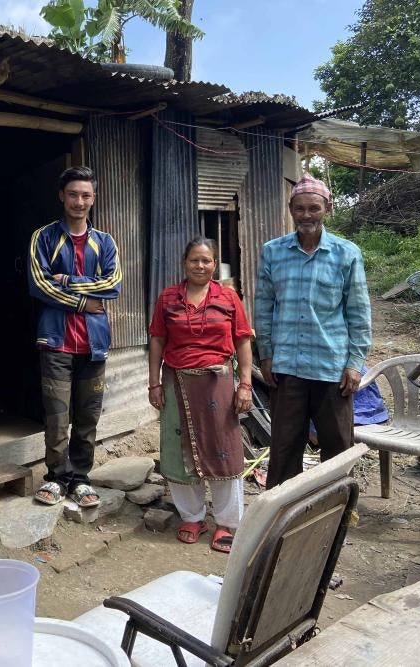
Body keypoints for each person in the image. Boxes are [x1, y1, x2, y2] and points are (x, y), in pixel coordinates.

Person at [254, 174, 372, 487]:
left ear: (327, 209)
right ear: (291, 209)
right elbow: (263, 307)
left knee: (336, 451)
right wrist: (265, 354)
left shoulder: (347, 253)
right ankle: (283, 521)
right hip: (287, 366)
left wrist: (354, 363)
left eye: (314, 208)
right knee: (283, 449)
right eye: (300, 208)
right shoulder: (272, 252)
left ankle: (335, 518)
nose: (307, 215)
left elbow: (358, 313)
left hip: (331, 368)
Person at [147, 237, 253, 552]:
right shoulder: (168, 298)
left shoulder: (228, 297)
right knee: (179, 452)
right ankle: (192, 517)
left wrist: (244, 384)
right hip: (176, 382)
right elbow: (156, 341)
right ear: (184, 263)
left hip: (217, 384)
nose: (200, 265)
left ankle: (226, 523)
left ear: (214, 264)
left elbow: (243, 341)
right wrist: (154, 383)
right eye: (194, 259)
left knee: (224, 451)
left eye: (206, 260)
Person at [28, 166, 122, 508]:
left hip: (94, 345)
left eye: (85, 195)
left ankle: (80, 478)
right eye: (73, 194)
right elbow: (39, 285)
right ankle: (55, 478)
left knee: (88, 415)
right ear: (61, 197)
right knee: (56, 416)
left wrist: (67, 281)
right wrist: (85, 301)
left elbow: (113, 285)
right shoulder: (44, 237)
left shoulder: (105, 242)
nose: (79, 201)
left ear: (93, 199)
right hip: (55, 341)